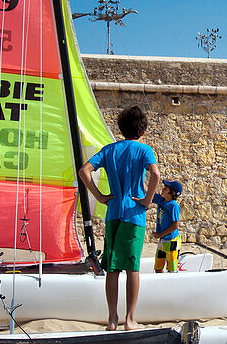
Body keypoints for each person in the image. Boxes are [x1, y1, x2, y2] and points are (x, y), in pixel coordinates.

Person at [78, 105, 161, 331]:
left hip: (113, 212)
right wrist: (147, 200)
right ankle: (130, 319)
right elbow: (155, 174)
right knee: (132, 267)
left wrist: (100, 196)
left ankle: (112, 319)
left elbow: (84, 171)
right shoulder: (145, 151)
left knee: (113, 268)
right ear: (142, 131)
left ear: (121, 129)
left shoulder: (109, 149)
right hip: (134, 214)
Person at [151, 180, 183, 273]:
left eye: (165, 189)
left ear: (172, 193)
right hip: (163, 240)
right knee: (158, 267)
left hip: (172, 241)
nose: (162, 189)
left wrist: (160, 234)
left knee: (172, 269)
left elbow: (175, 225)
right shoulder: (161, 200)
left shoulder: (174, 206)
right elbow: (149, 193)